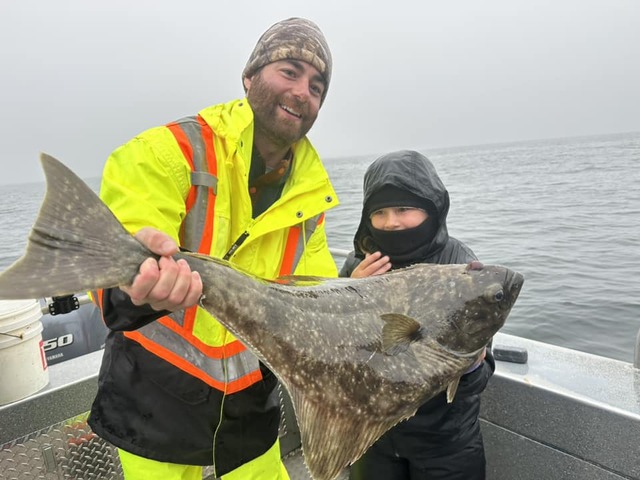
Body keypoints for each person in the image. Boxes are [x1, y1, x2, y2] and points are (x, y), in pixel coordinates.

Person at [87, 18, 339, 480]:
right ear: (249, 78)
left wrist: (359, 304)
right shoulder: (169, 151)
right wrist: (132, 270)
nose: (304, 91)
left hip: (249, 410)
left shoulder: (311, 198)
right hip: (153, 400)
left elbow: (320, 304)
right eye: (289, 71)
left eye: (317, 86)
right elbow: (111, 270)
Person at [340, 150, 494, 480]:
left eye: (404, 209)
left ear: (431, 207)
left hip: (446, 443)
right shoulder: (360, 265)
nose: (391, 222)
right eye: (379, 212)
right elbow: (340, 352)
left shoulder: (462, 267)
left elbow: (479, 376)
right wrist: (350, 295)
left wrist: (471, 362)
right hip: (373, 436)